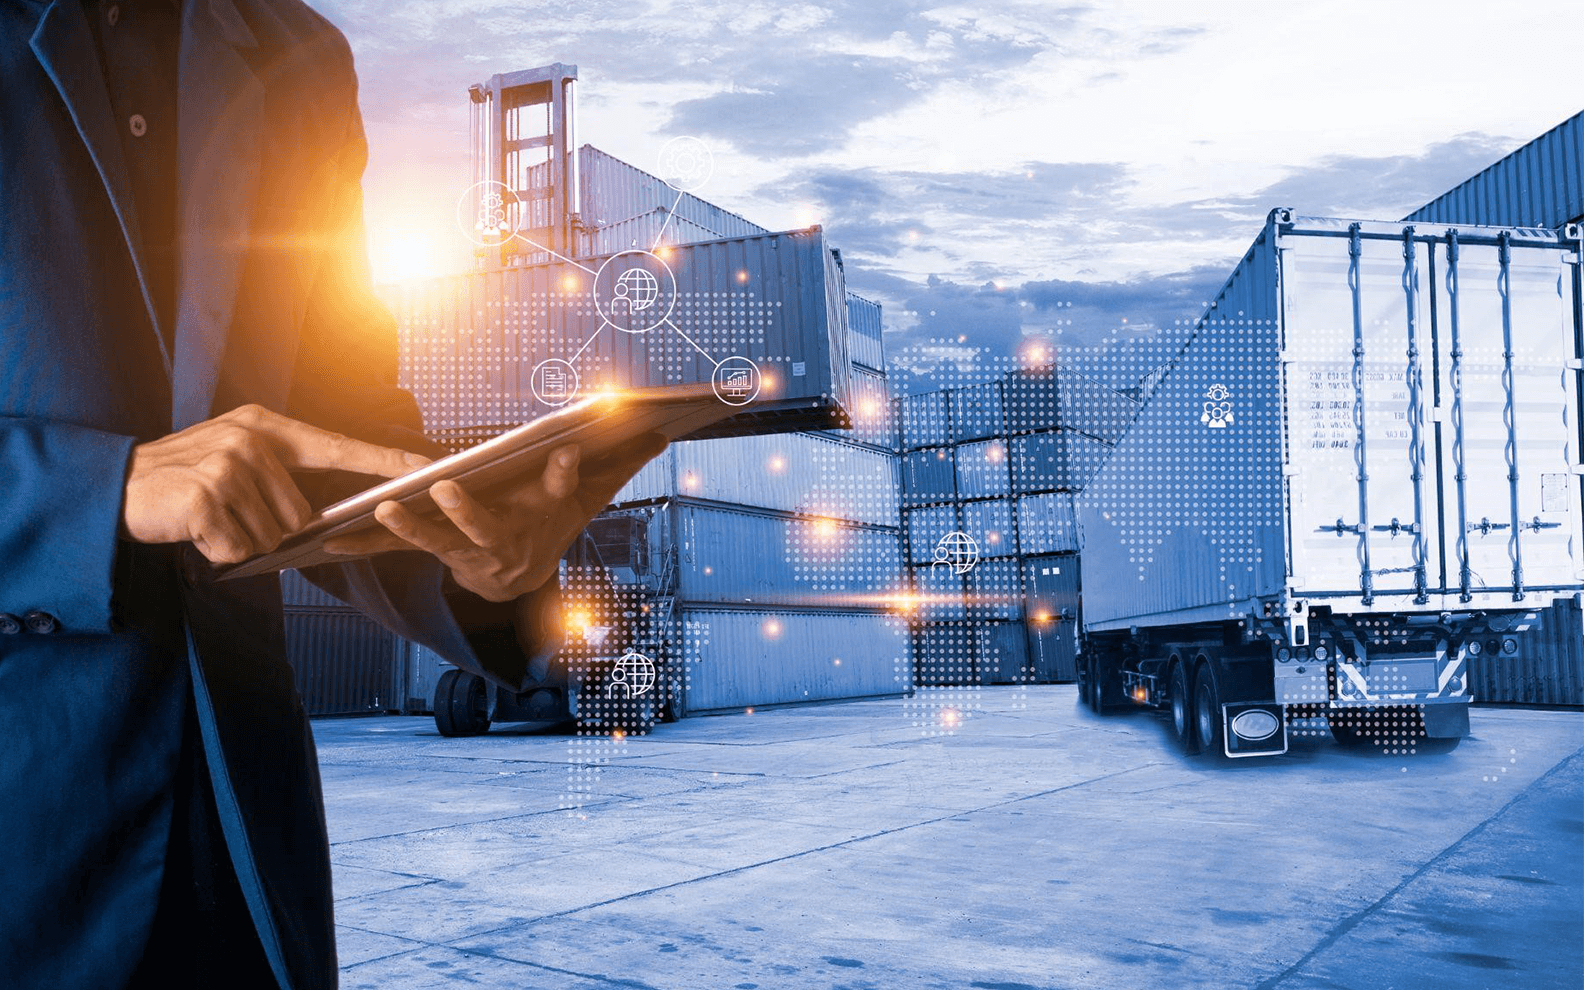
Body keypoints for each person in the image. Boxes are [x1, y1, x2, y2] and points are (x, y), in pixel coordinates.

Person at [0, 1, 665, 986]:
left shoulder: (300, 56)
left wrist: (480, 553)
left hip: (241, 848)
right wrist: (105, 492)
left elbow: (336, 422)